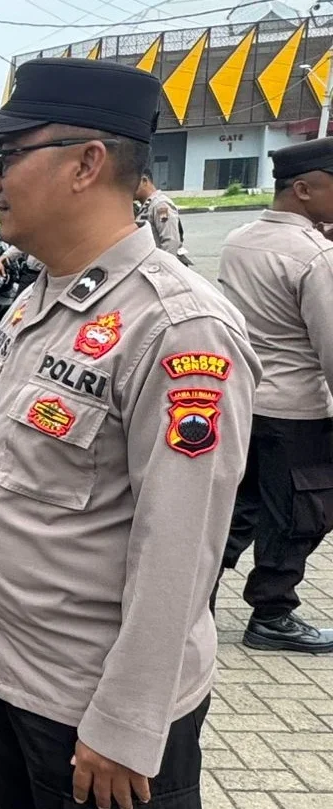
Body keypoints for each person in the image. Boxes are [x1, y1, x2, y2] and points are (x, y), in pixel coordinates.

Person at [0, 58, 260, 809]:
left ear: (87, 163)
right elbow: (7, 464)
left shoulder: (179, 327)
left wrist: (127, 720)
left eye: (8, 156)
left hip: (93, 717)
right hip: (10, 674)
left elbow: (179, 547)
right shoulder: (38, 298)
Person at [216, 137, 333, 654]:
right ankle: (272, 614)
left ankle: (192, 596)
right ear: (304, 189)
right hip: (299, 411)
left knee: (237, 507)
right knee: (299, 512)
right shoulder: (315, 256)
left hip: (245, 401)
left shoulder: (239, 238)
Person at [136, 168, 187, 259]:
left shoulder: (160, 205)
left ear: (144, 181)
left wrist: (162, 269)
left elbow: (171, 241)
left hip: (160, 267)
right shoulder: (147, 206)